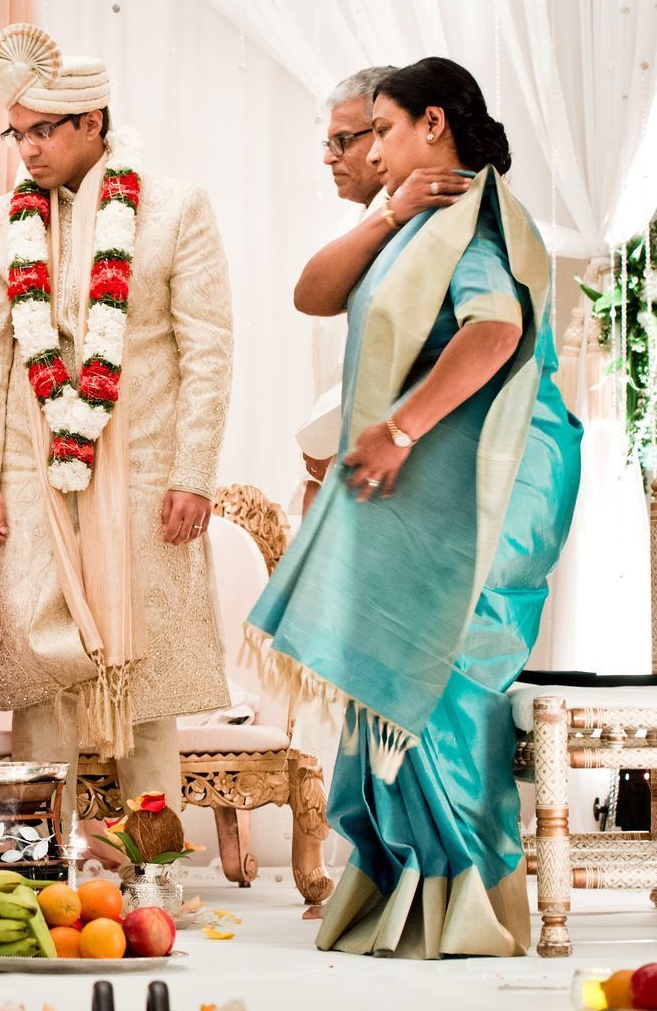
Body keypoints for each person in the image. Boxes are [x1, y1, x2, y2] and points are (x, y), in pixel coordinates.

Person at [248, 57, 582, 958]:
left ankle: (463, 903)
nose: (374, 150)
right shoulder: (415, 219)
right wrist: (389, 209)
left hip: (490, 474)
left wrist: (397, 428)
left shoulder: (476, 222)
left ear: (431, 123)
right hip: (429, 476)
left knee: (446, 671)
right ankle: (397, 887)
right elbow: (313, 293)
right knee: (386, 667)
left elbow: (495, 331)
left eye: (383, 131)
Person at [0, 24, 234, 814]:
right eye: (17, 134)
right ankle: (42, 870)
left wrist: (193, 475)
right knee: (38, 677)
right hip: (26, 469)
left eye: (43, 131)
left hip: (146, 470)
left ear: (93, 122)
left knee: (144, 678)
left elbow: (207, 352)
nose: (28, 151)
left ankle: (155, 873)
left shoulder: (174, 208)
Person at [296, 66, 396, 513]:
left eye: (342, 141)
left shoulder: (416, 218)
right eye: (327, 143)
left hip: (384, 462)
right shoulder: (362, 219)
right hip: (341, 457)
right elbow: (310, 298)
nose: (329, 157)